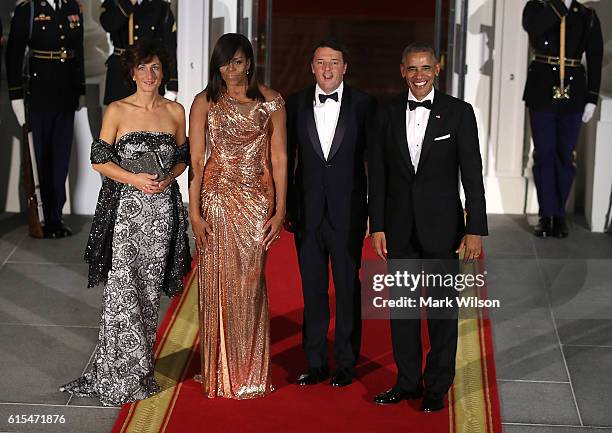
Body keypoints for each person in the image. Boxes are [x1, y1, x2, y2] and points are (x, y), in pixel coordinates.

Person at [60, 43, 191, 406]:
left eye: (156, 68)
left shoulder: (176, 111)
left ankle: (139, 369)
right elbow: (99, 159)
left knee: (148, 295)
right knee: (121, 292)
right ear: (132, 73)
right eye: (143, 68)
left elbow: (183, 157)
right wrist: (133, 180)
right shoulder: (118, 110)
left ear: (163, 73)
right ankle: (115, 374)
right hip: (126, 214)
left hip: (161, 214)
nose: (150, 76)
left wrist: (169, 179)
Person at [368, 43, 488, 412]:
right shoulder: (385, 113)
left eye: (426, 68)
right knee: (402, 310)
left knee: (440, 313)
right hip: (400, 228)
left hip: (444, 228)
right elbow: (379, 174)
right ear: (402, 71)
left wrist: (475, 229)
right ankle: (406, 382)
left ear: (437, 69)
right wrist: (379, 226)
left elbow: (472, 173)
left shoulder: (459, 113)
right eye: (412, 68)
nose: (419, 75)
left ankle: (437, 386)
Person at [188, 33, 287, 399]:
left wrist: (280, 209)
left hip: (256, 202)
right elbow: (197, 162)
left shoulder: (272, 102)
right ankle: (220, 371)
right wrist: (194, 212)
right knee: (217, 284)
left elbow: (279, 158)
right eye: (225, 62)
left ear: (250, 62)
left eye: (239, 61)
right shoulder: (204, 102)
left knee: (250, 283)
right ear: (217, 65)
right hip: (215, 200)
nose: (232, 69)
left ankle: (249, 371)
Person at [285, 39, 374, 387]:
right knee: (313, 290)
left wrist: (373, 213)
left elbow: (375, 165)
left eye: (334, 62)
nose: (327, 69)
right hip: (307, 212)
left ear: (345, 67)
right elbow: (284, 159)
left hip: (348, 212)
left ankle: (347, 363)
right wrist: (286, 206)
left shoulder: (365, 105)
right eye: (321, 62)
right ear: (311, 67)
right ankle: (316, 361)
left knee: (348, 289)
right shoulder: (295, 104)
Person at [523, 0, 603, 238]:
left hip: (574, 92)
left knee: (565, 157)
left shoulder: (587, 15)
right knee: (544, 154)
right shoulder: (537, 7)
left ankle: (559, 215)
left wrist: (592, 97)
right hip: (542, 90)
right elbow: (535, 27)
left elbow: (596, 57)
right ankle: (546, 215)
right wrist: (561, 5)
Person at [6, 0, 85, 238]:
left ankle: (55, 217)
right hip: (39, 95)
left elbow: (77, 50)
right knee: (40, 158)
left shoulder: (72, 7)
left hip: (65, 94)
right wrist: (16, 97)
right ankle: (39, 216)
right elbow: (13, 54)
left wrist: (80, 88)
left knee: (61, 159)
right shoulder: (28, 9)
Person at [100, 0, 178, 104]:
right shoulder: (115, 2)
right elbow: (108, 24)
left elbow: (169, 48)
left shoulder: (161, 6)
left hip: (149, 76)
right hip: (120, 75)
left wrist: (172, 86)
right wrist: (129, 3)